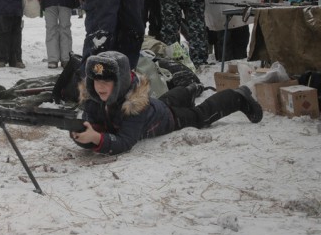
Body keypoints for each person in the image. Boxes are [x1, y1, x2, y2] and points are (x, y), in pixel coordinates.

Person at [70, 51, 263, 156]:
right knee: (167, 100)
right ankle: (190, 90)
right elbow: (95, 123)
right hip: (157, 105)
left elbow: (125, 142)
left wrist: (97, 138)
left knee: (199, 116)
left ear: (121, 83)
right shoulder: (93, 98)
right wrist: (84, 132)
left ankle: (238, 97)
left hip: (166, 119)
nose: (99, 87)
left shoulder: (135, 107)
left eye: (106, 82)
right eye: (96, 81)